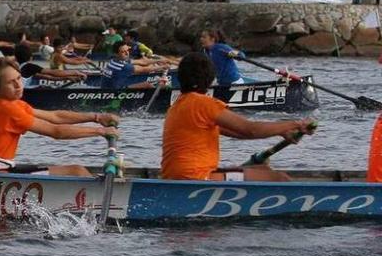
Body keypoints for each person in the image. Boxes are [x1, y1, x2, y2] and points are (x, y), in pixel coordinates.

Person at [161, 52, 314, 181]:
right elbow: (250, 129)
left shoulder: (177, 105)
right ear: (210, 78)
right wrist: (295, 124)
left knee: (261, 168)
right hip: (198, 177)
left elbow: (239, 133)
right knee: (279, 178)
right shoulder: (204, 104)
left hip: (176, 175)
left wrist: (279, 131)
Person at [0, 58, 119, 176]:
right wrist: (101, 132)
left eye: (19, 79)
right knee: (76, 171)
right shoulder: (8, 108)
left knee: (75, 170)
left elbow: (55, 116)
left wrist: (97, 117)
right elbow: (56, 132)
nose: (18, 85)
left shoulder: (12, 104)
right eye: (11, 82)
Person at [102, 42, 169, 89]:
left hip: (108, 89)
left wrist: (159, 60)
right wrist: (162, 67)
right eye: (123, 52)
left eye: (127, 50)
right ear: (116, 54)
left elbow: (142, 62)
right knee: (147, 84)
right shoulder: (123, 66)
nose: (127, 53)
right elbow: (144, 70)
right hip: (115, 93)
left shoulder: (113, 60)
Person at [13, 44, 86, 87]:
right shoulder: (29, 67)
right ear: (30, 58)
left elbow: (49, 77)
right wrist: (76, 72)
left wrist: (68, 78)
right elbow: (53, 72)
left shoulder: (15, 67)